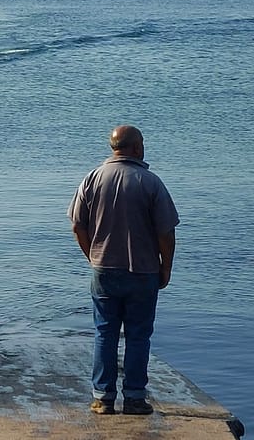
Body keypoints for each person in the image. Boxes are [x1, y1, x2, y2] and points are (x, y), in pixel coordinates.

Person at [67, 125, 179, 416]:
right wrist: (166, 268)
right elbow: (166, 233)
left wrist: (92, 255)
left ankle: (102, 399)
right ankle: (134, 398)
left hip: (104, 269)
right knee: (139, 335)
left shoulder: (92, 179)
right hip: (143, 272)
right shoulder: (150, 182)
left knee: (105, 333)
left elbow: (77, 224)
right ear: (136, 147)